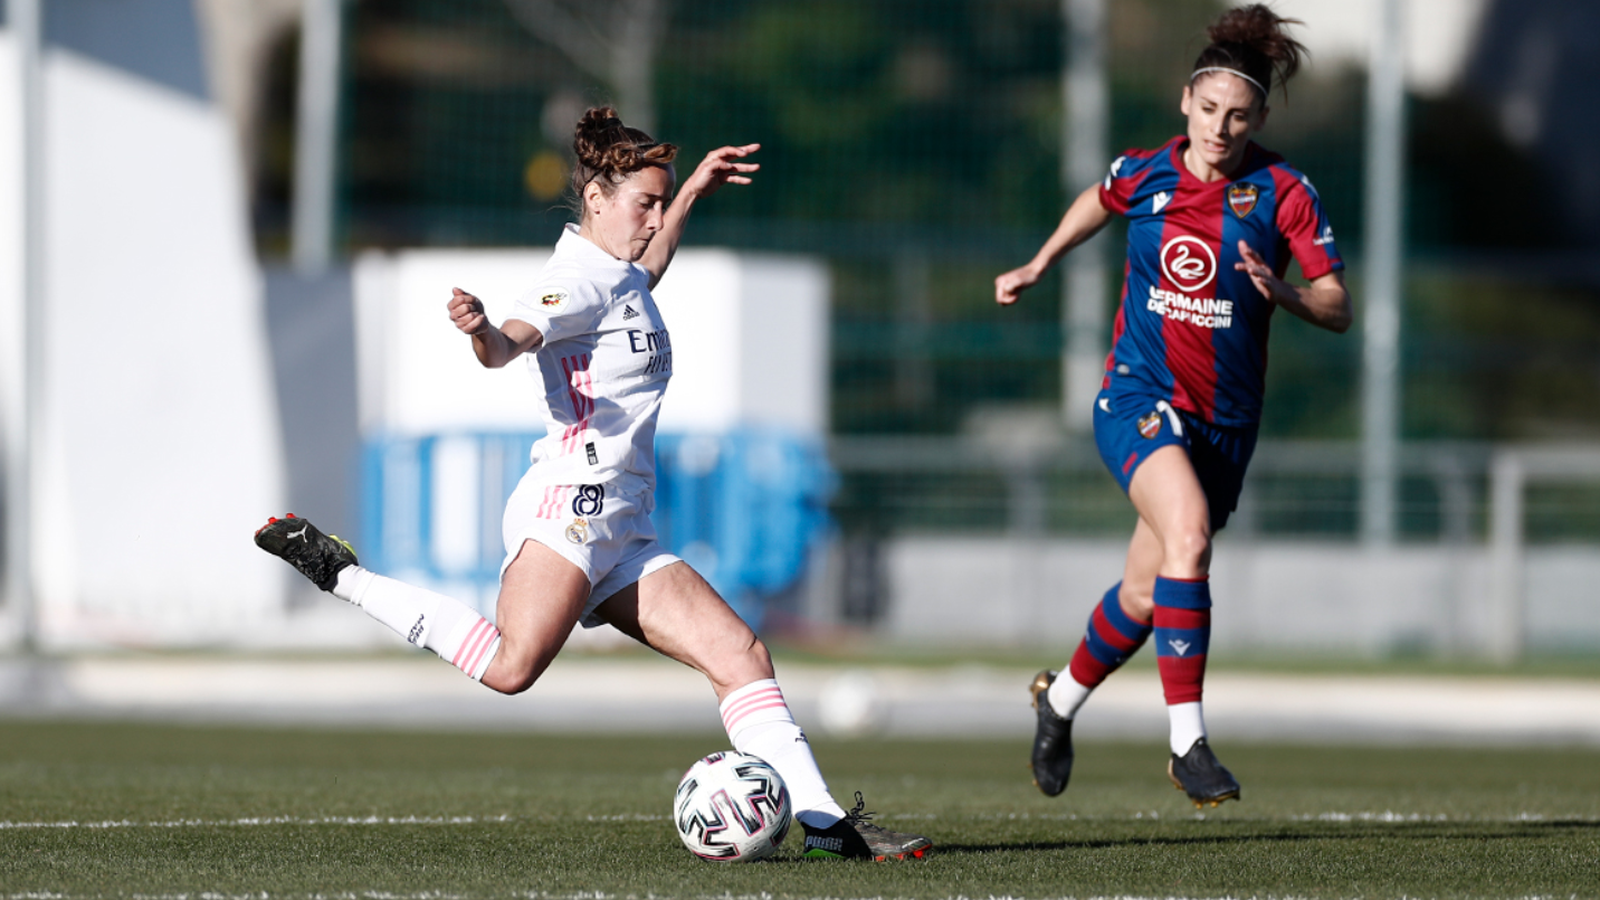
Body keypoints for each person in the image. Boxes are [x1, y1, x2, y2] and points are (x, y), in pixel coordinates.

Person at [256, 107, 931, 861]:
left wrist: (691, 192)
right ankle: (341, 573)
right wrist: (482, 331)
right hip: (568, 510)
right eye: (645, 203)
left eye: (660, 203)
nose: (654, 220)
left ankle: (828, 828)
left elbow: (649, 264)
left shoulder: (621, 271)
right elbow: (508, 346)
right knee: (512, 668)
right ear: (597, 199)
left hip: (625, 524)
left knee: (741, 655)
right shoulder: (574, 281)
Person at [993, 5, 1351, 808]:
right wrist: (1040, 262)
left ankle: (1058, 703)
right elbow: (1100, 198)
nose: (1220, 128)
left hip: (1225, 426)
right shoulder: (1147, 172)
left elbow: (1338, 304)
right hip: (1138, 398)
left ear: (1259, 119)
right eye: (1209, 108)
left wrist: (1285, 292)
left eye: (1239, 115)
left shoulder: (1283, 192)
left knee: (1146, 593)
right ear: (1185, 101)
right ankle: (1188, 744)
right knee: (1188, 536)